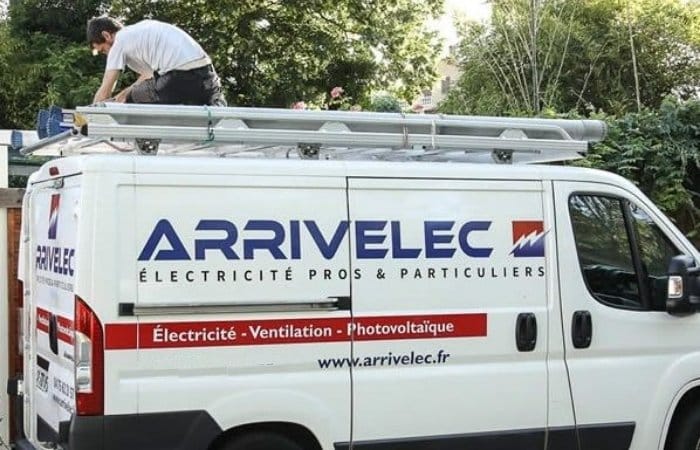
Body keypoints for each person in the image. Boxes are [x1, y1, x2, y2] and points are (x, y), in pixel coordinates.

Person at [87, 16, 226, 106]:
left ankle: (144, 140)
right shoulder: (139, 33)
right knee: (134, 94)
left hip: (180, 77)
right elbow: (148, 78)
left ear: (106, 35)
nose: (106, 55)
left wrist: (88, 118)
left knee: (133, 100)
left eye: (103, 50)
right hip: (208, 77)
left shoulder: (119, 42)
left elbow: (105, 91)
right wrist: (122, 95)